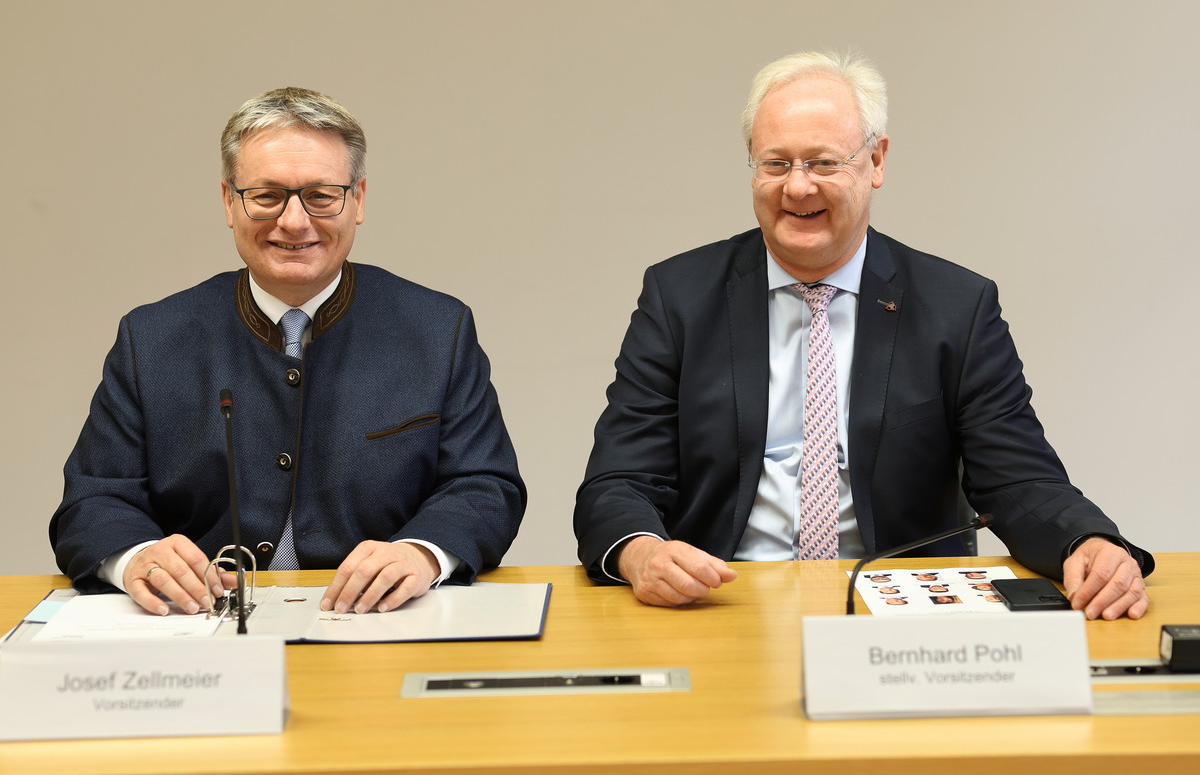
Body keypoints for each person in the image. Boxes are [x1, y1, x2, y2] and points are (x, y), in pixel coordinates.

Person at [573, 51, 1153, 619]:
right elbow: (618, 480)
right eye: (775, 164)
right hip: (722, 601)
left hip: (900, 612)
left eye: (823, 163)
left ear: (876, 161)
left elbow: (1019, 478)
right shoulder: (679, 296)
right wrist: (641, 552)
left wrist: (1088, 541)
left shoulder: (958, 308)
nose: (797, 188)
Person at [51, 87, 526, 617]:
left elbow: (485, 486)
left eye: (322, 195)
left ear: (359, 200)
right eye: (267, 195)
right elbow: (92, 501)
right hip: (200, 626)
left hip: (377, 620)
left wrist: (420, 554)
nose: (295, 221)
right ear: (229, 203)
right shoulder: (152, 337)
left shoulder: (438, 329)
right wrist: (137, 558)